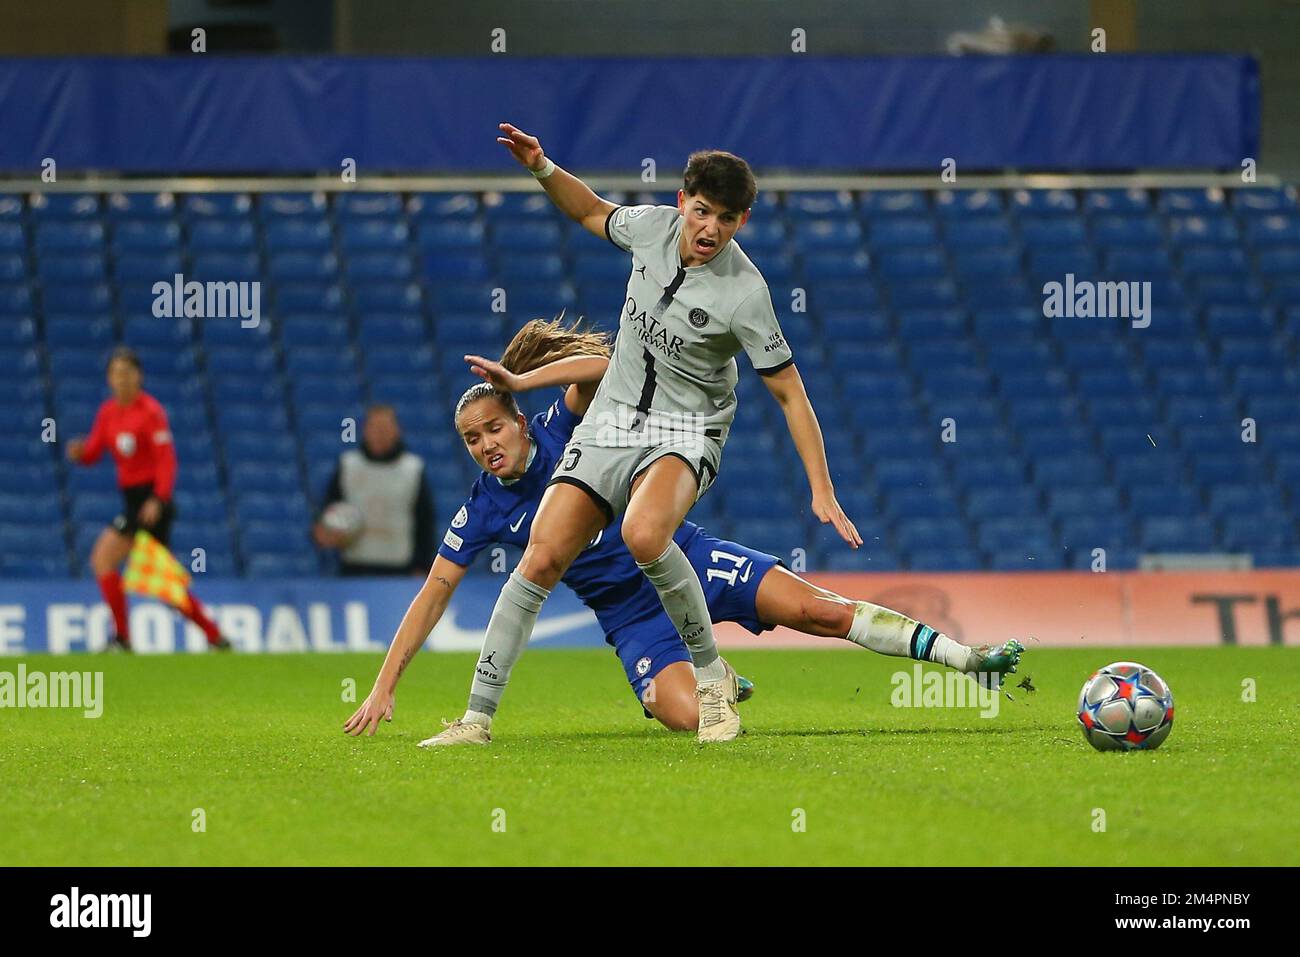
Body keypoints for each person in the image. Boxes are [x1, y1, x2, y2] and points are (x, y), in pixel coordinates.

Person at [343, 318, 1024, 744]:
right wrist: (383, 683)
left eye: (495, 426)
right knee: (690, 719)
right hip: (632, 617)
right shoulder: (483, 509)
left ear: (520, 419)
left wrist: (522, 376)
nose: (487, 444)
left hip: (686, 557)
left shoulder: (563, 425)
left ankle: (968, 661)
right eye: (472, 439)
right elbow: (432, 593)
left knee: (818, 610)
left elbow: (608, 370)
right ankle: (715, 677)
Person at [467, 122, 861, 743]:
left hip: (684, 426)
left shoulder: (746, 294)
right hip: (614, 419)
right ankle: (475, 720)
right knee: (541, 556)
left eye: (726, 219)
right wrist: (543, 165)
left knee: (645, 534)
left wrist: (822, 486)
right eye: (702, 211)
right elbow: (591, 210)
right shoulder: (650, 228)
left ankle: (710, 683)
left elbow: (789, 391)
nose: (710, 229)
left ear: (743, 221)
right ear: (682, 201)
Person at [66, 346, 230, 652]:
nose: (122, 379)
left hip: (151, 502)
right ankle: (215, 637)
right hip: (132, 502)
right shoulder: (108, 413)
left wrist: (158, 498)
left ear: (139, 376)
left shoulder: (151, 412)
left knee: (104, 558)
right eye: (116, 373)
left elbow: (167, 460)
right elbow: (93, 451)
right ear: (109, 379)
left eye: (127, 373)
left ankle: (123, 638)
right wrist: (80, 454)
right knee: (163, 583)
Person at [312, 403, 435, 577]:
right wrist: (325, 532)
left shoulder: (413, 469)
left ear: (397, 431)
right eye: (375, 428)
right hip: (355, 567)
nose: (380, 434)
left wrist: (422, 565)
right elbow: (330, 508)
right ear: (365, 431)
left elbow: (424, 520)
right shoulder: (348, 465)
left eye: (385, 428)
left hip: (400, 569)